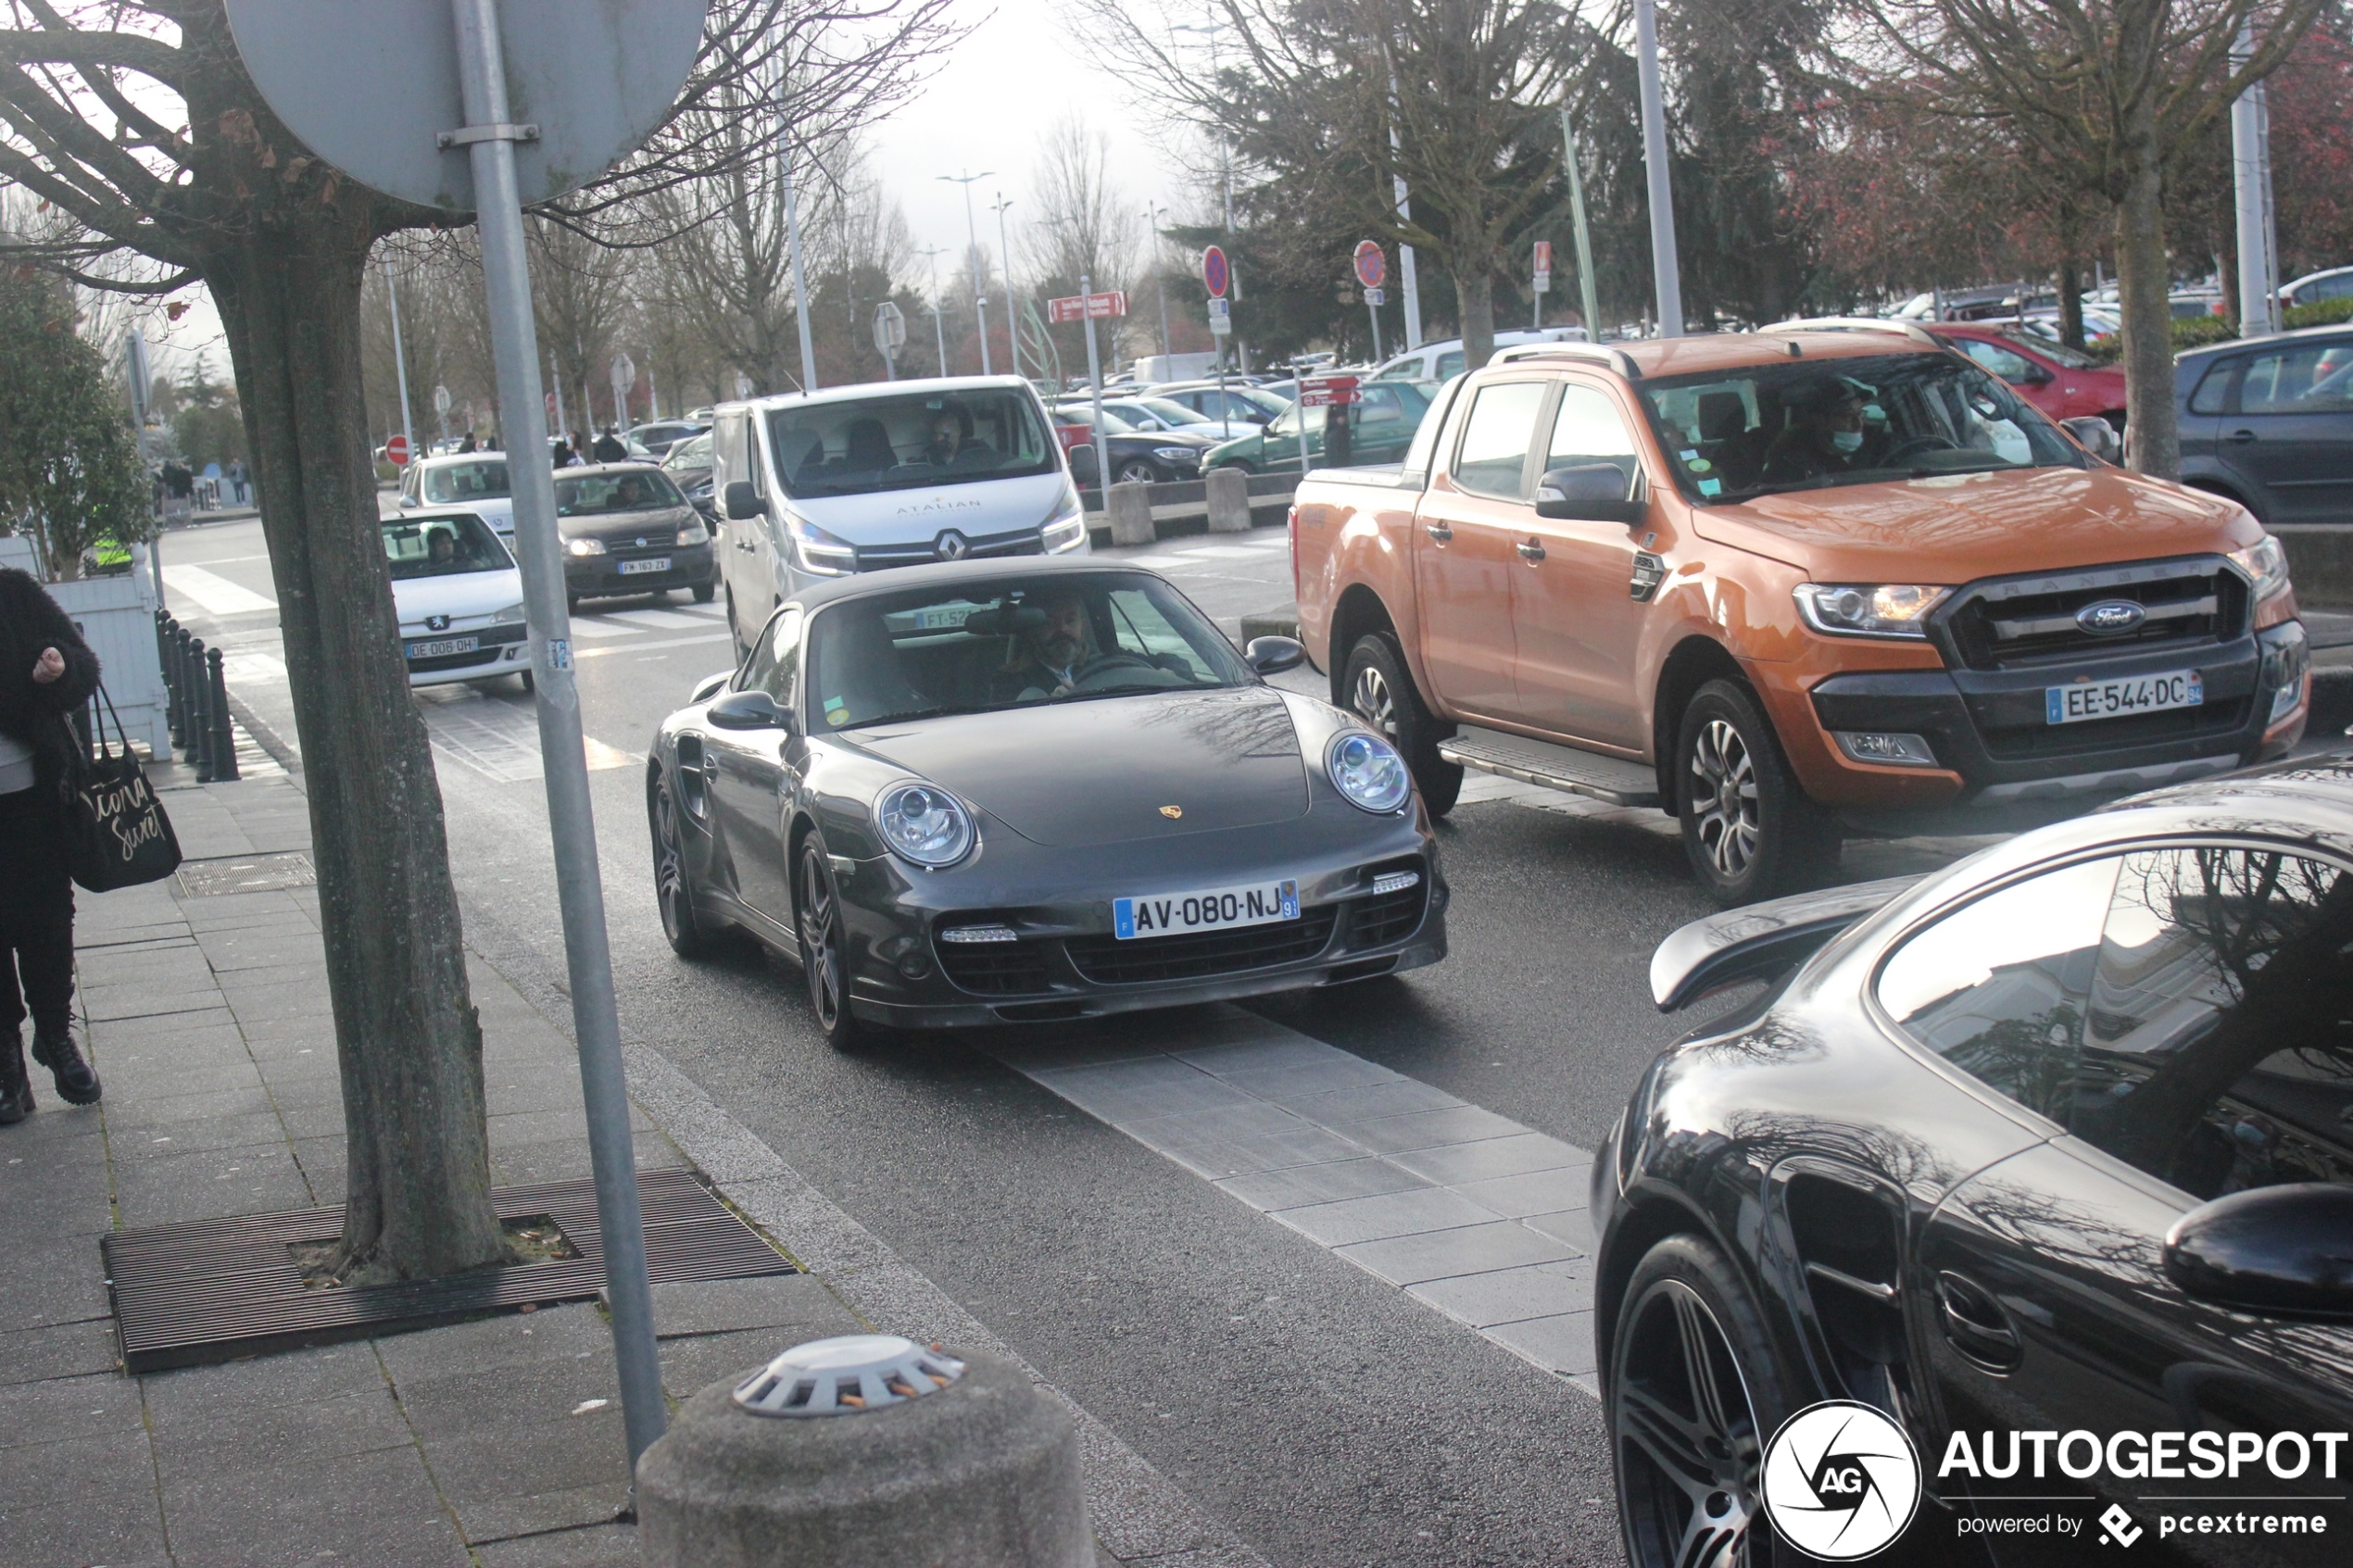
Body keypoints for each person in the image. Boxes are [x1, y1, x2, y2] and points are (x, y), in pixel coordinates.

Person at [0, 566, 104, 1123]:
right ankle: (7, 1064)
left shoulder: (12, 593)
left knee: (45, 922)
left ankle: (56, 1038)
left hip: (33, 800)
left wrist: (56, 671)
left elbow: (82, 665)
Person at [1761, 378, 1886, 485]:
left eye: (1859, 414)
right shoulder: (1790, 464)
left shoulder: (1882, 448)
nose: (1858, 423)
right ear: (1821, 421)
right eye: (1845, 416)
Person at [988, 589, 1095, 703]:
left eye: (1070, 620)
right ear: (1032, 631)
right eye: (1049, 622)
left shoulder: (1103, 666)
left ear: (1083, 627)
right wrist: (1048, 706)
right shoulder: (1009, 681)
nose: (1062, 629)